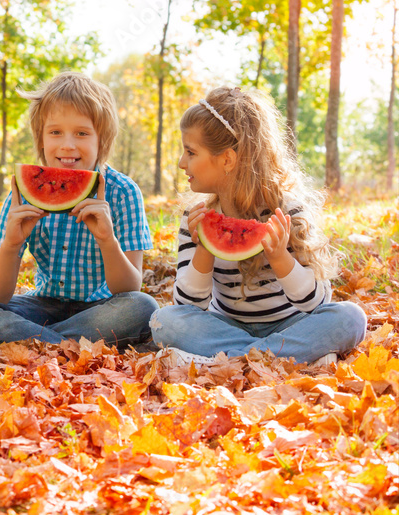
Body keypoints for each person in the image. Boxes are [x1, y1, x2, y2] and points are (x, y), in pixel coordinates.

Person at [151, 87, 367, 367]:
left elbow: (318, 302)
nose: (182, 163)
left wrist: (280, 258)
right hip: (223, 326)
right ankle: (289, 359)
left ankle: (226, 361)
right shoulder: (196, 217)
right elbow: (188, 306)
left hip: (289, 325)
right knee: (163, 321)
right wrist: (204, 248)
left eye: (190, 152)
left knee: (351, 318)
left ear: (227, 159)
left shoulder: (287, 212)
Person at [0, 72, 158, 348]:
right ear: (41, 139)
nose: (67, 145)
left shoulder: (123, 192)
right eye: (55, 132)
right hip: (40, 307)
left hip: (101, 308)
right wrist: (10, 244)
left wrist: (107, 240)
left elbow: (129, 289)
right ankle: (67, 343)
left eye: (82, 133)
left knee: (142, 307)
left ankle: (35, 342)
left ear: (103, 140)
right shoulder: (22, 195)